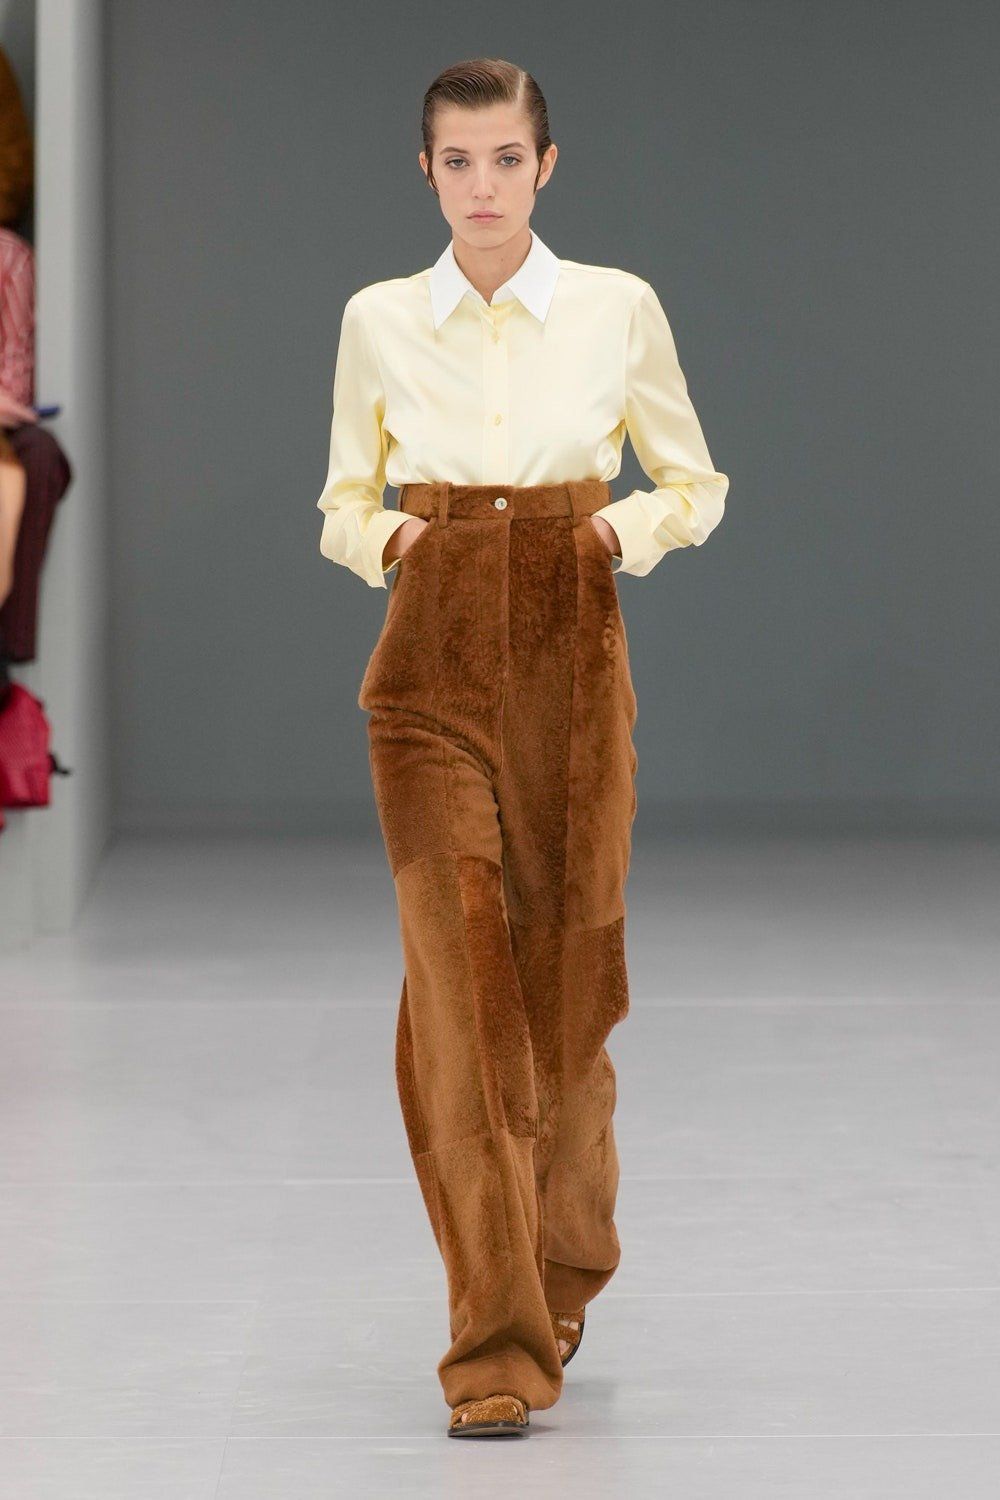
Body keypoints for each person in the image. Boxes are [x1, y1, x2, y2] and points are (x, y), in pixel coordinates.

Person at [315, 56, 729, 1439]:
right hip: (426, 665)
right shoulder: (380, 318)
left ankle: (565, 1257)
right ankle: (493, 1343)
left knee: (567, 997)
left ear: (545, 167)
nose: (482, 186)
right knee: (460, 1004)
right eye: (457, 161)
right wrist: (403, 543)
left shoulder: (617, 306)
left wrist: (608, 534)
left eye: (506, 159)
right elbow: (340, 502)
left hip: (571, 646)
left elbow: (695, 481)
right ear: (424, 171)